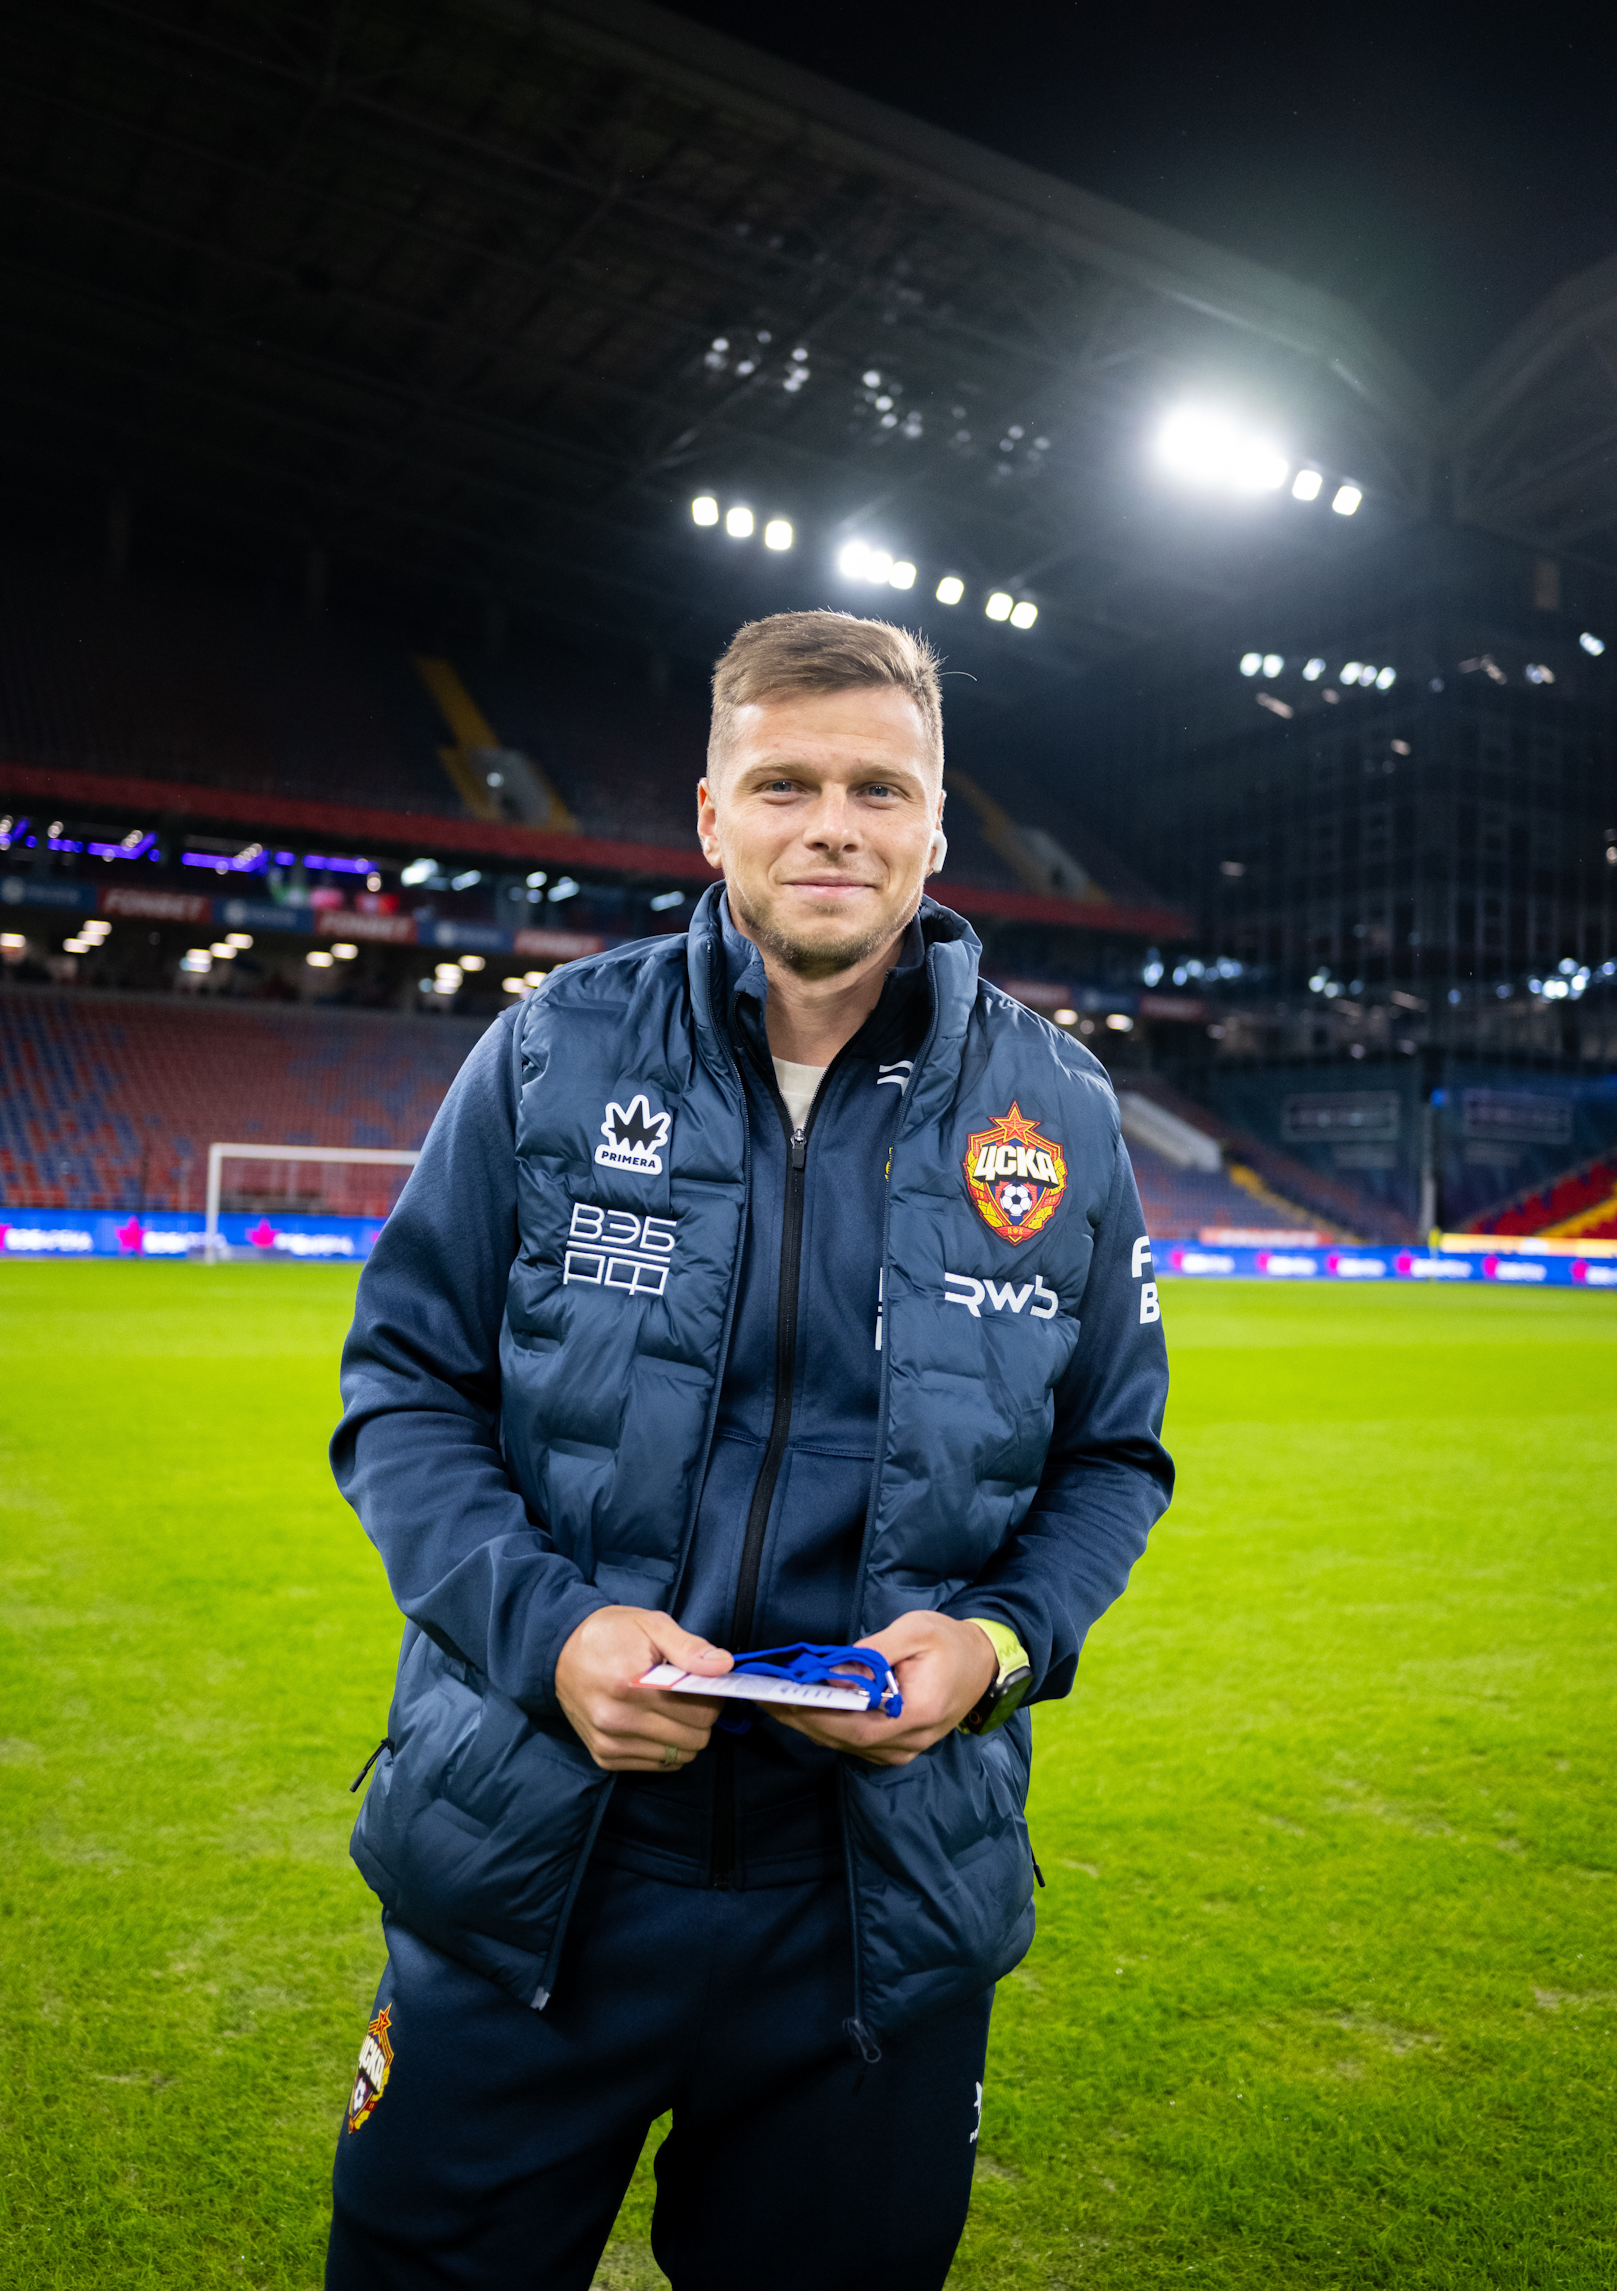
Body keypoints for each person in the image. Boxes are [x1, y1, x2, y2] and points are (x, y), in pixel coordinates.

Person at [325, 610, 1173, 2290]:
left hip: (874, 1901)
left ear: (935, 826)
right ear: (712, 815)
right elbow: (402, 1392)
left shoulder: (1060, 1109)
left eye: (878, 787)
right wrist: (552, 1633)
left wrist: (993, 1649)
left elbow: (1111, 1459)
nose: (831, 824)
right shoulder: (551, 1050)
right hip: (536, 1861)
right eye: (784, 782)